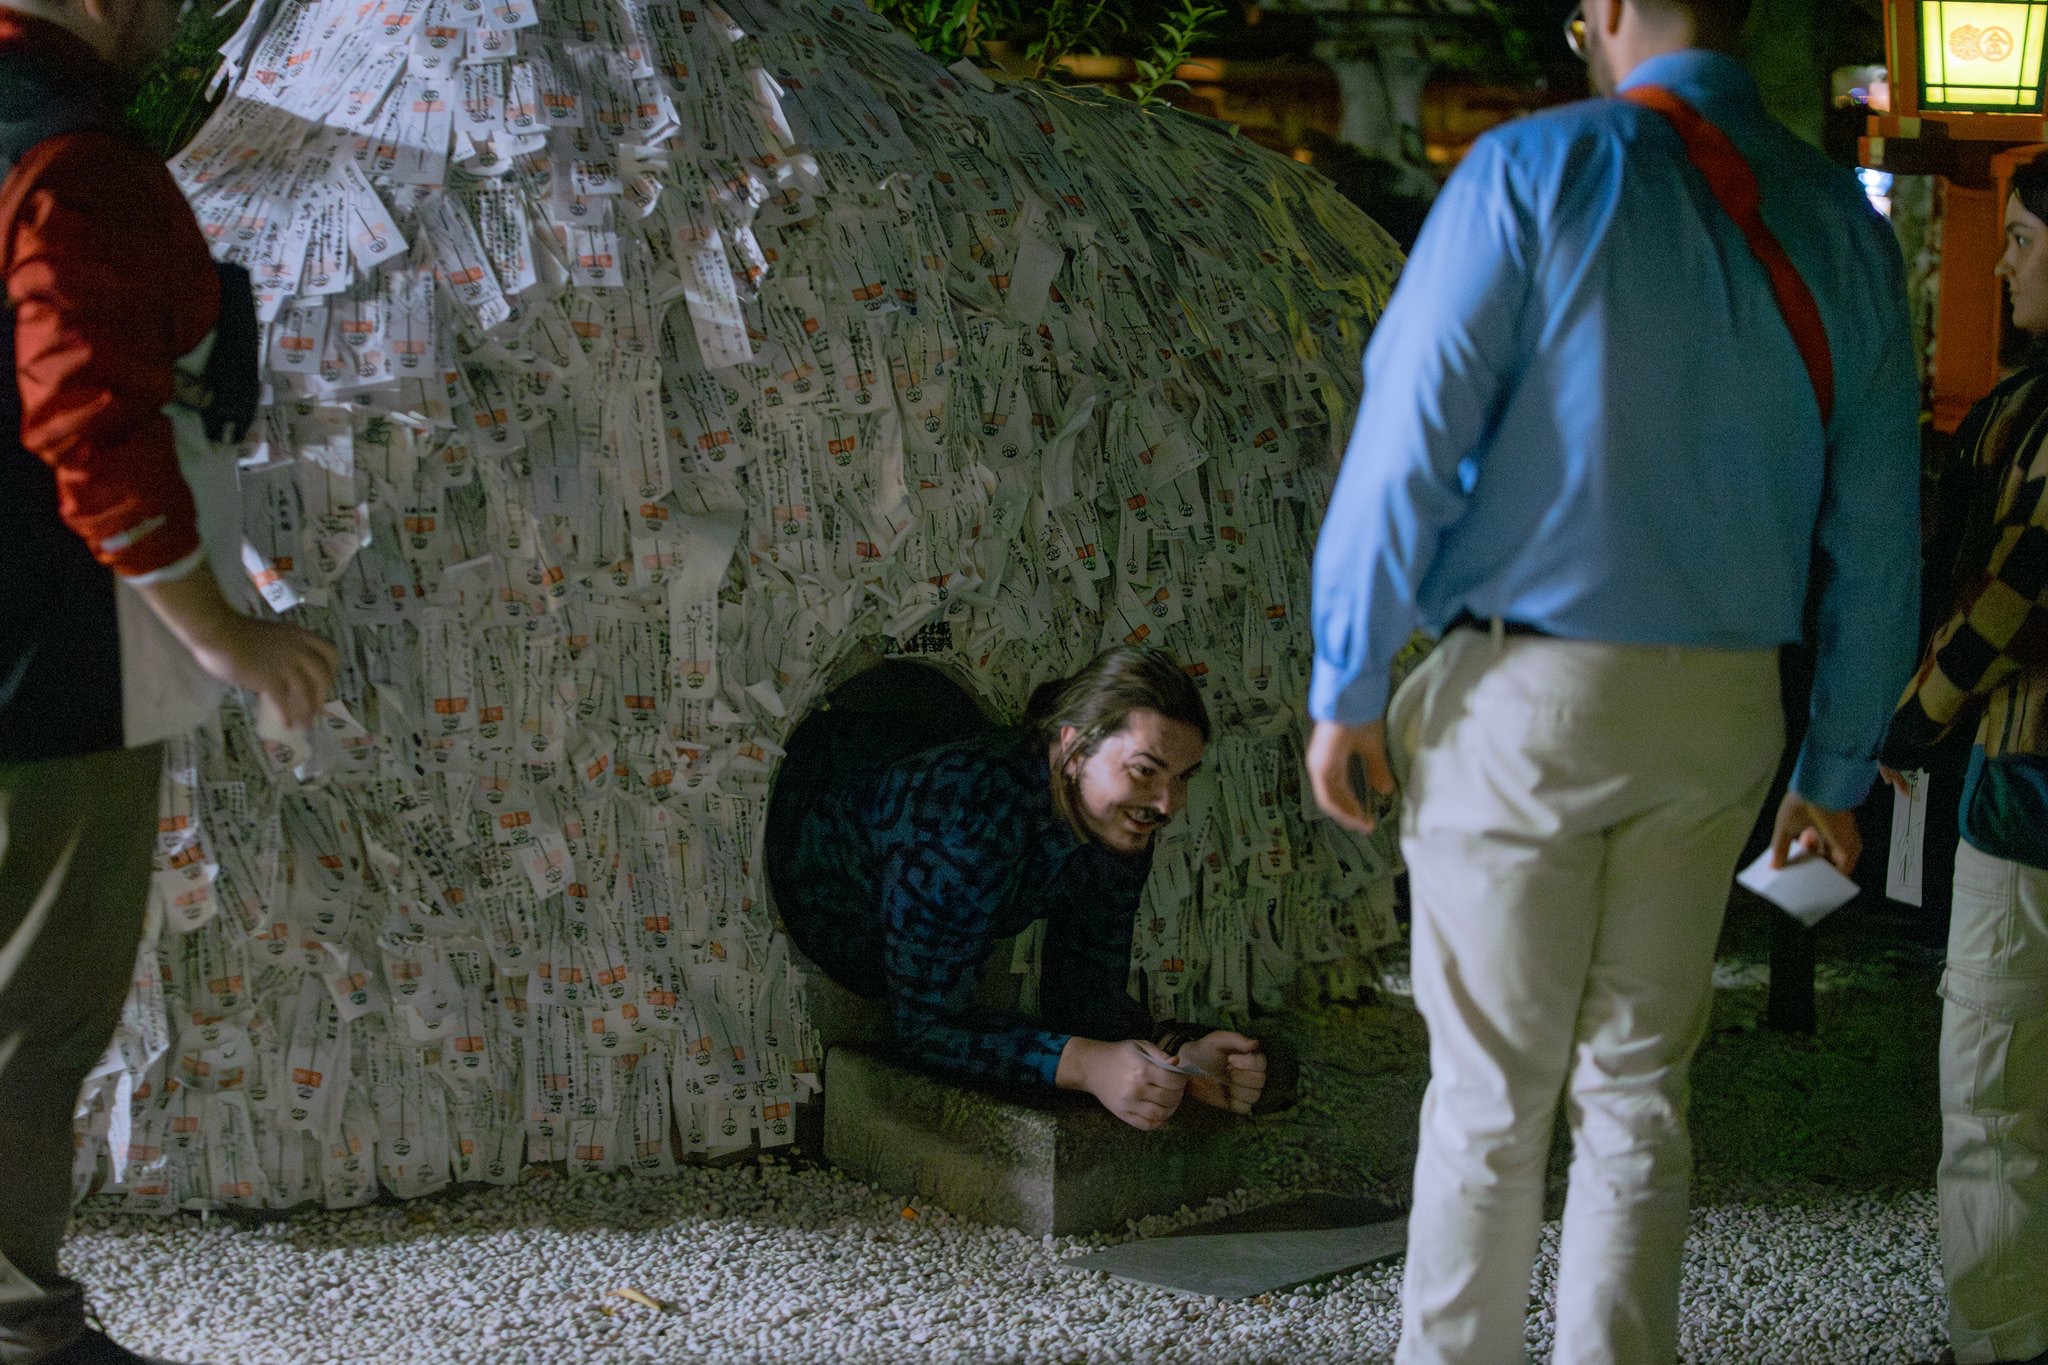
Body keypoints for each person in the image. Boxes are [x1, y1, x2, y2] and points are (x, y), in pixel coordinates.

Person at [1302, 0, 1920, 1358]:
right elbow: (1878, 531)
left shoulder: (1532, 170)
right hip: (1726, 713)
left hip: (1530, 696)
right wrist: (1832, 768)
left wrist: (1346, 675)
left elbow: (1408, 434)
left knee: (1488, 1103)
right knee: (1641, 1092)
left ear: (1615, 10)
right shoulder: (1841, 222)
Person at [0, 0, 337, 1359]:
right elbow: (85, 412)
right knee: (36, 1000)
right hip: (41, 665)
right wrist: (224, 632)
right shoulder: (67, 160)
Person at [766, 645, 1270, 1130]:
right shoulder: (965, 810)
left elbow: (1084, 993)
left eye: (1182, 778)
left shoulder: (1119, 827)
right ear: (1073, 749)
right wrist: (1086, 1065)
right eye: (1144, 770)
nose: (1167, 803)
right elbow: (925, 1027)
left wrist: (1180, 1057)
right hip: (822, 900)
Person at [1879, 159, 2048, 1365]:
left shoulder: (2029, 415)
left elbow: (2015, 591)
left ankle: (2002, 1336)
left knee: (1993, 1095)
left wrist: (1912, 718)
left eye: (2025, 242)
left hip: (2027, 785)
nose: (2001, 262)